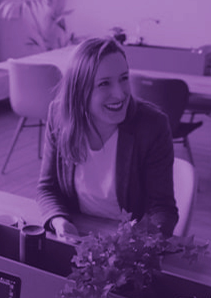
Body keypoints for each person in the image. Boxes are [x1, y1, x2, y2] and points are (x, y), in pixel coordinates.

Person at [37, 37, 179, 239]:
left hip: (128, 245)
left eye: (124, 78)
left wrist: (133, 242)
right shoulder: (59, 116)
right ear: (79, 92)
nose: (120, 94)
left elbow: (162, 210)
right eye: (104, 83)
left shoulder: (152, 125)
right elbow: (47, 188)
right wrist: (59, 222)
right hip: (77, 235)